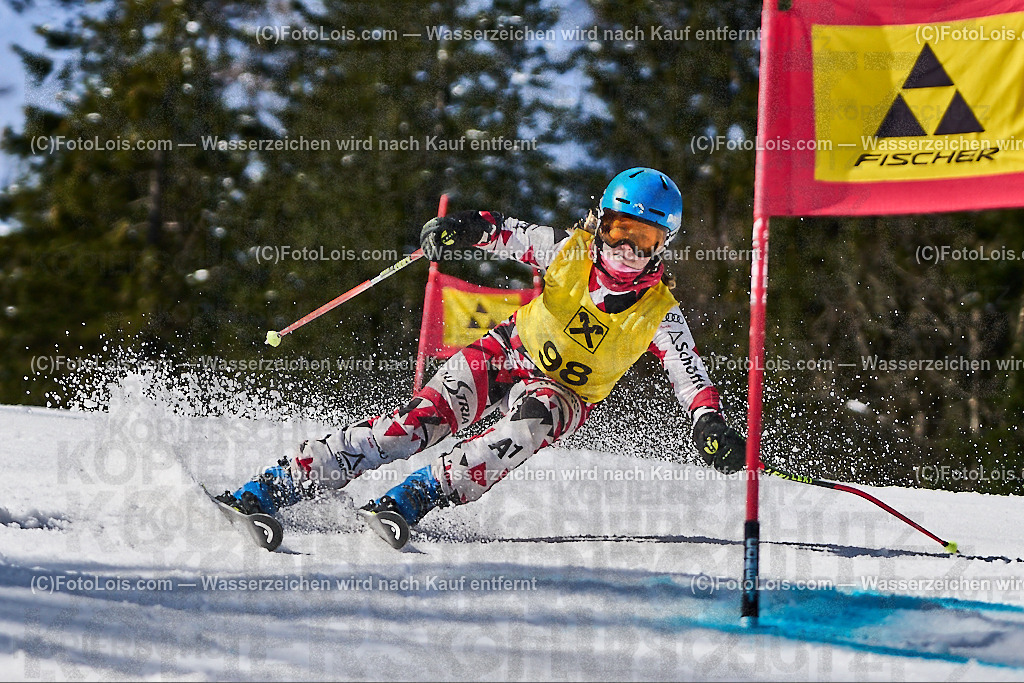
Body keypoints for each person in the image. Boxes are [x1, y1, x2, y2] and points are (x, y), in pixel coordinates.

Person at [217, 167, 747, 546]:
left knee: (522, 431)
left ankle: (415, 496)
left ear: (663, 245)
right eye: (618, 231)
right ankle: (276, 484)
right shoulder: (570, 249)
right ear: (600, 222)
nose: (625, 250)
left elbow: (690, 374)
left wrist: (710, 424)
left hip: (562, 393)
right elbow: (507, 233)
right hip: (508, 351)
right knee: (414, 425)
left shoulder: (660, 311)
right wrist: (464, 229)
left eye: (643, 239)